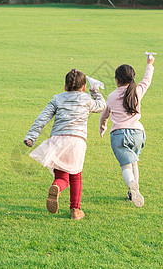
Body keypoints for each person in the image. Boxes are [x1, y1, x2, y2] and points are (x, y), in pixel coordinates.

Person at [24, 69, 106, 220]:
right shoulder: (86, 99)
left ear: (65, 86)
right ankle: (75, 209)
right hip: (77, 142)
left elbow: (42, 118)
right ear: (83, 87)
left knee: (62, 177)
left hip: (57, 141)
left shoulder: (57, 99)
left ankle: (57, 186)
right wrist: (95, 90)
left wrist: (31, 137)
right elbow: (101, 105)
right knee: (76, 176)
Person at [99, 55, 155, 207]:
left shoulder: (111, 96)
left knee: (125, 166)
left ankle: (131, 184)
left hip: (119, 135)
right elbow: (147, 80)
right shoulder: (137, 92)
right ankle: (133, 193)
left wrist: (102, 128)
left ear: (117, 80)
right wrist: (149, 64)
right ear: (132, 79)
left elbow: (104, 115)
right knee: (134, 162)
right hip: (138, 134)